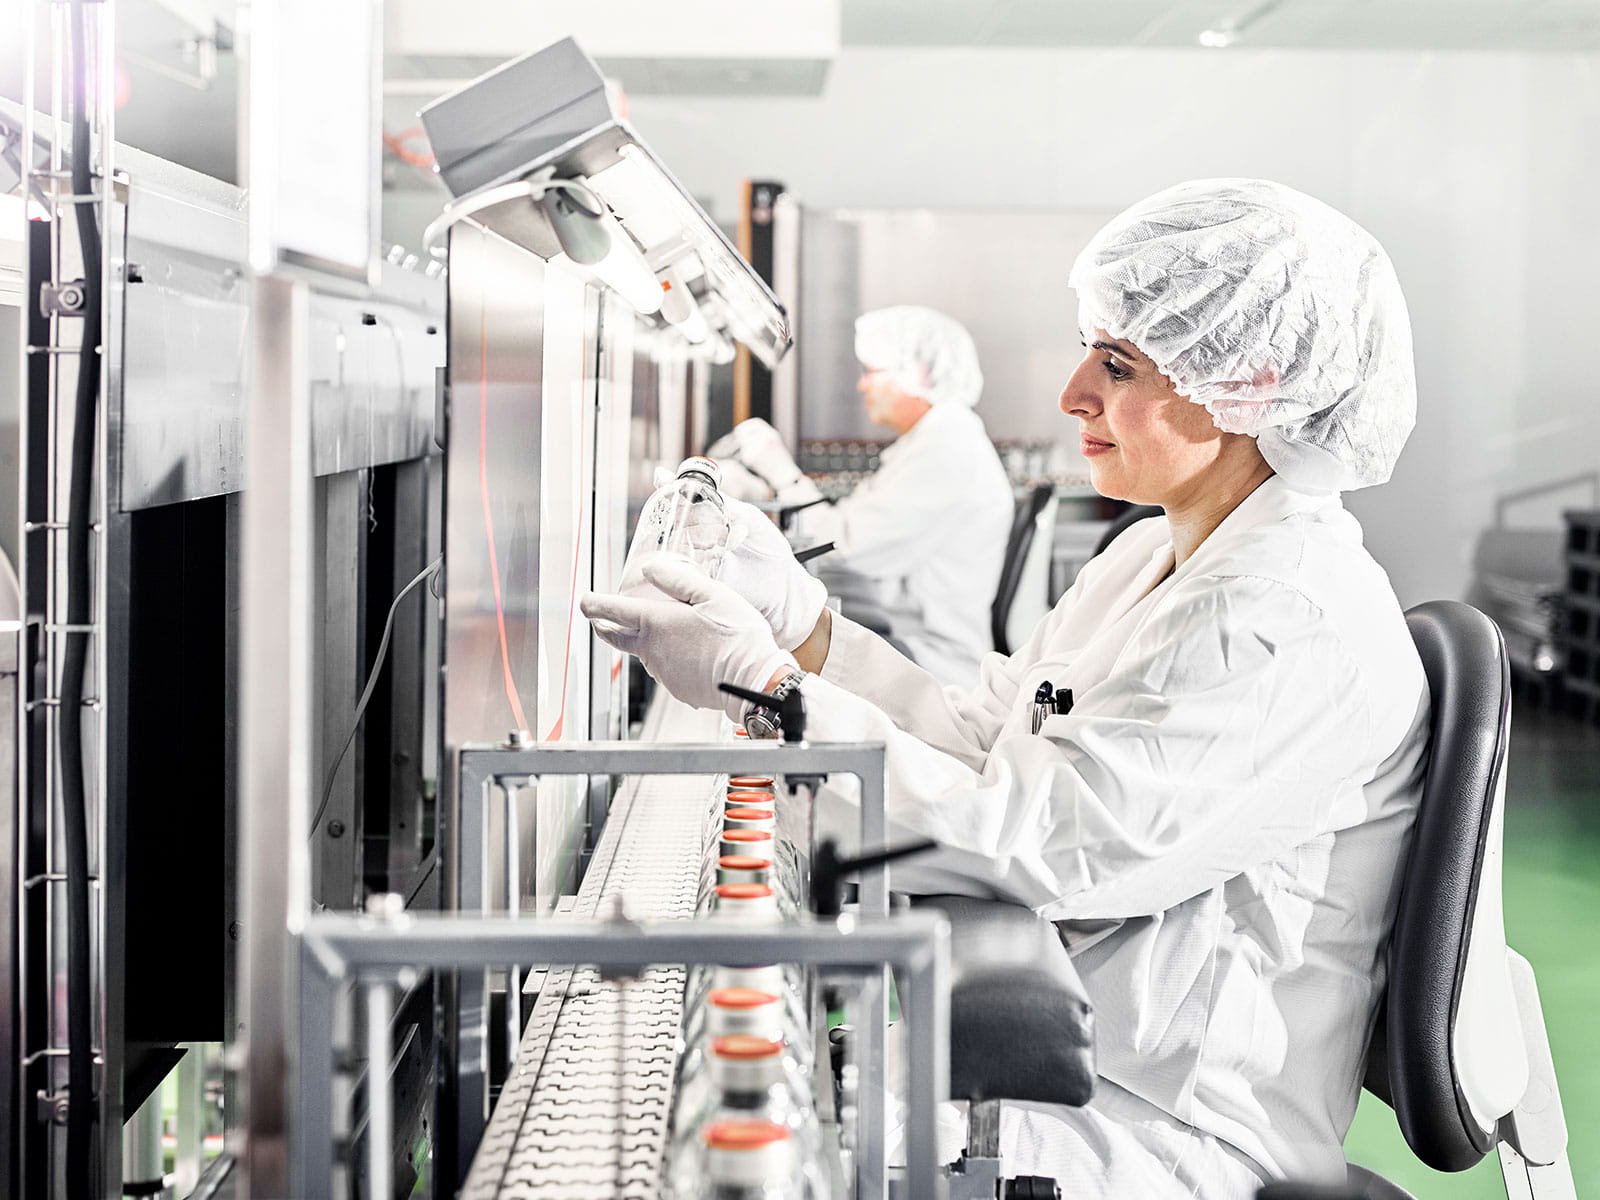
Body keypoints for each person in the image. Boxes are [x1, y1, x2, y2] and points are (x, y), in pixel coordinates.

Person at [583, 178, 1428, 1198]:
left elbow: (1041, 846)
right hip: (1073, 1061)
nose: (1073, 393)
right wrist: (805, 634)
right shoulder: (1151, 558)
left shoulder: (1286, 614)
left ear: (1246, 380)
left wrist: (764, 690)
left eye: (1117, 365)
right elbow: (985, 738)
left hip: (1161, 1127)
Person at [709, 306, 1014, 687]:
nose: (862, 385)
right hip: (909, 638)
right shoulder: (934, 439)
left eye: (872, 372)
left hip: (931, 662)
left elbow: (844, 548)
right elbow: (853, 529)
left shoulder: (947, 448)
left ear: (915, 373)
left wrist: (784, 476)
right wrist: (766, 495)